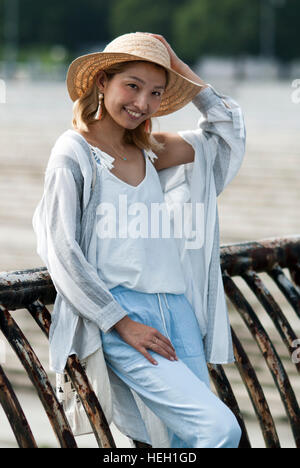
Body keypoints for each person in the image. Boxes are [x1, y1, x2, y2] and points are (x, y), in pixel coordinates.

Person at [32, 32, 246, 448]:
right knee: (220, 430)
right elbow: (61, 250)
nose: (142, 103)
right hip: (123, 313)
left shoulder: (150, 149)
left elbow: (226, 132)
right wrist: (120, 322)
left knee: (184, 442)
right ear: (101, 83)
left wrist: (179, 67)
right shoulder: (73, 153)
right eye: (132, 85)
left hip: (177, 310)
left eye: (156, 92)